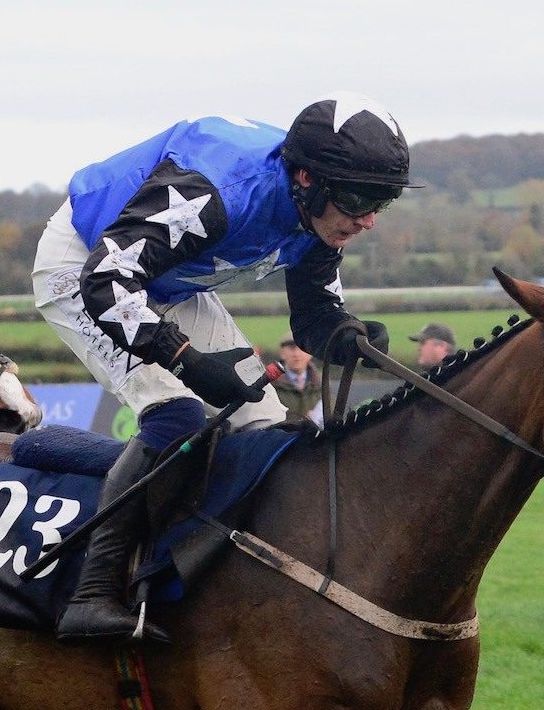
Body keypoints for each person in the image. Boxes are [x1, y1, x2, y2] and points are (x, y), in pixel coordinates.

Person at [31, 93, 417, 639]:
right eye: (359, 199)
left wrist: (343, 337)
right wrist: (183, 359)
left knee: (268, 430)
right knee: (178, 415)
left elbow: (313, 316)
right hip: (87, 266)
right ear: (305, 178)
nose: (368, 220)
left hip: (168, 280)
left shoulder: (319, 215)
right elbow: (107, 284)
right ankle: (93, 592)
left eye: (383, 201)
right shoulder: (215, 195)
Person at [270, 337, 322, 420]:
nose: (297, 354)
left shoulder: (321, 383)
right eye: (292, 349)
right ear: (282, 353)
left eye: (302, 348)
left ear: (311, 353)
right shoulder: (270, 383)